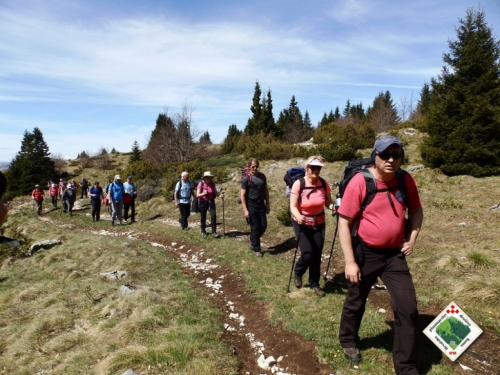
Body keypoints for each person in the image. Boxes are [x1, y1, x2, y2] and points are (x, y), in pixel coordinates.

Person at [337, 135, 423, 374]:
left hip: (394, 256)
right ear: (375, 156)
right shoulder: (360, 182)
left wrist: (412, 239)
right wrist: (350, 262)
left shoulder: (406, 180)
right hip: (365, 253)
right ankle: (348, 340)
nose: (391, 160)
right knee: (356, 300)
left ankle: (406, 367)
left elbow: (416, 211)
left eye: (397, 155)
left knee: (408, 308)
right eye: (385, 154)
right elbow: (344, 223)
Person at [289, 156, 334, 297]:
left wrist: (336, 207)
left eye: (318, 168)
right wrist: (298, 217)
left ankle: (315, 283)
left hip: (319, 222)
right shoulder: (299, 184)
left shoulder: (323, 184)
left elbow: (328, 203)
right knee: (307, 253)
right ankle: (298, 272)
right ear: (306, 168)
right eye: (313, 167)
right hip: (302, 223)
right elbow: (293, 206)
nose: (315, 170)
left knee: (317, 254)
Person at [240, 158, 270, 257]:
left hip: (261, 203)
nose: (255, 168)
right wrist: (245, 210)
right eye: (253, 167)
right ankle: (257, 249)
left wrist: (268, 205)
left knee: (264, 225)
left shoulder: (262, 177)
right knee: (255, 226)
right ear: (249, 167)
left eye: (257, 166)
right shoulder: (246, 179)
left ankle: (252, 239)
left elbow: (266, 191)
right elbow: (242, 195)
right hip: (251, 204)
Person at [196, 171, 224, 238]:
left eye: (210, 178)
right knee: (203, 217)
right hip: (203, 202)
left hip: (211, 202)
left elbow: (215, 192)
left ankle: (214, 232)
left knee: (213, 216)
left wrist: (220, 195)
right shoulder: (201, 184)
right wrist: (203, 193)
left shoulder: (212, 184)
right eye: (207, 178)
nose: (209, 179)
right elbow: (197, 195)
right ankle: (203, 231)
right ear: (204, 178)